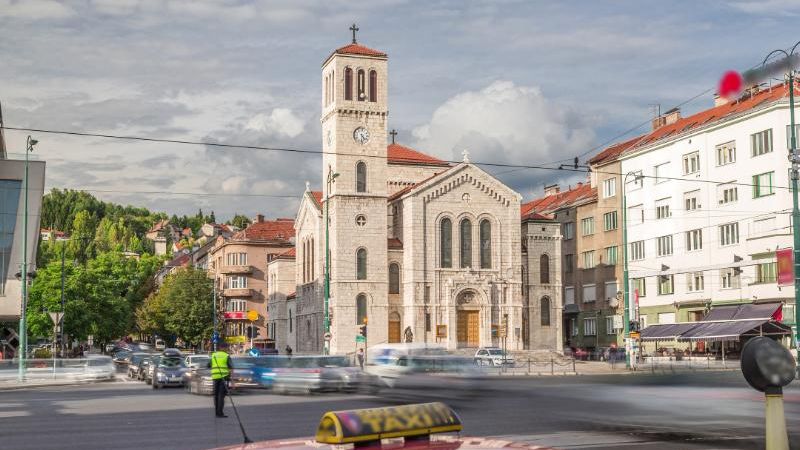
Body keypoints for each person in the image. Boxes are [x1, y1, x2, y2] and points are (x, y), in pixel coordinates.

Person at [208, 349, 233, 418]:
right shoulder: (226, 356)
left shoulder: (213, 355)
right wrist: (231, 379)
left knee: (216, 395)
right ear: (225, 348)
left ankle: (216, 412)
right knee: (221, 396)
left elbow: (208, 365)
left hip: (215, 377)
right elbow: (231, 367)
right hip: (224, 377)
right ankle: (220, 413)